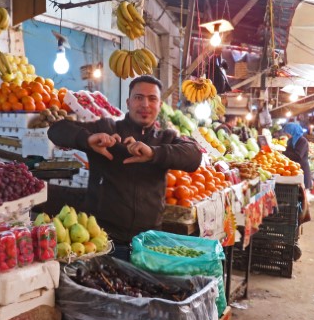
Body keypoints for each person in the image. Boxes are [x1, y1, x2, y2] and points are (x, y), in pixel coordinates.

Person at [47, 75, 202, 260]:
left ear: (160, 105)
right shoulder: (106, 128)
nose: (145, 104)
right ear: (128, 102)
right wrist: (87, 140)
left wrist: (153, 153)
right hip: (103, 241)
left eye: (152, 99)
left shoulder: (165, 138)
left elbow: (194, 156)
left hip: (148, 243)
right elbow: (56, 130)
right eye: (138, 97)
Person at [282, 122, 313, 191]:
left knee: (303, 192)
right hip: (294, 169)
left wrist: (282, 153)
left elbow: (298, 156)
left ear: (293, 131)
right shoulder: (290, 141)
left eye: (288, 133)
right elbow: (289, 153)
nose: (286, 135)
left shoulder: (302, 141)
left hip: (302, 169)